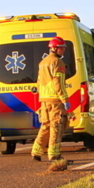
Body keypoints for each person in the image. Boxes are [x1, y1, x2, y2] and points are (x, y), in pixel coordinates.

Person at [31, 37, 70, 168]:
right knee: (56, 127)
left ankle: (36, 151)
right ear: (54, 48)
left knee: (45, 126)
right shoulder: (58, 62)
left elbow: (39, 82)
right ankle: (54, 154)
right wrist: (65, 99)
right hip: (55, 101)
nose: (64, 50)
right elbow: (58, 83)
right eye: (62, 47)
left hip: (44, 100)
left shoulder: (43, 62)